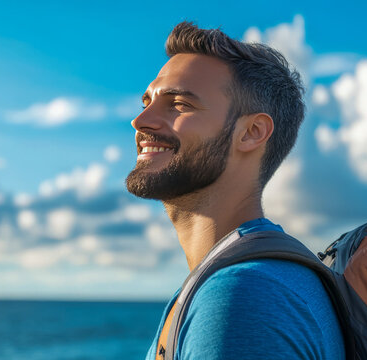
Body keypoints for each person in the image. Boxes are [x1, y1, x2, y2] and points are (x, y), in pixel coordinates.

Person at [125, 22, 345, 359]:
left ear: (252, 132)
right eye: (147, 102)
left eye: (179, 104)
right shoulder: (242, 281)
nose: (140, 121)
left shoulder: (243, 296)